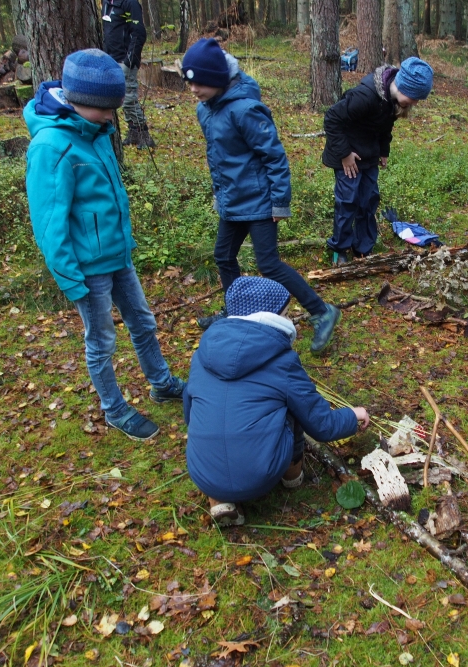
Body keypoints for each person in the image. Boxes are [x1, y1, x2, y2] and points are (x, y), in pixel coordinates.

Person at [24, 49, 185, 441]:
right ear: (83, 101)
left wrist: (125, 245)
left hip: (117, 257)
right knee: (101, 342)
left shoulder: (94, 131)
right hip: (87, 268)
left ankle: (161, 384)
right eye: (107, 109)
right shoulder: (51, 146)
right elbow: (48, 223)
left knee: (143, 322)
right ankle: (114, 409)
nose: (113, 117)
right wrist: (70, 280)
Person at [182, 38, 341, 353]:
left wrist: (280, 202)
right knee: (224, 256)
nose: (193, 90)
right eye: (189, 83)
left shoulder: (246, 110)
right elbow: (219, 158)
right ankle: (235, 313)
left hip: (259, 201)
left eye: (199, 82)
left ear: (216, 79)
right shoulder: (206, 110)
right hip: (232, 200)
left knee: (268, 263)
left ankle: (322, 311)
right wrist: (220, 194)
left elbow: (275, 157)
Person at [183, 277, 370, 526]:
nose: (291, 318)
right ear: (272, 317)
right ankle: (292, 474)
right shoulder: (282, 361)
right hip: (260, 476)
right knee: (292, 410)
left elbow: (189, 412)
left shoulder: (201, 355)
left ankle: (218, 500)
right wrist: (352, 415)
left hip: (202, 472)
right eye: (286, 312)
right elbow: (321, 424)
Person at [322, 57, 435, 266]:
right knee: (348, 201)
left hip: (369, 156)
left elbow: (384, 127)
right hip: (348, 158)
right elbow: (332, 119)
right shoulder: (364, 96)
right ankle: (340, 248)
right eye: (414, 98)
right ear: (403, 86)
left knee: (368, 201)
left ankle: (363, 248)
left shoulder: (391, 102)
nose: (415, 104)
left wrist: (383, 150)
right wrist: (344, 154)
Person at [102, 0, 154, 148]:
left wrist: (129, 60)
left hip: (125, 60)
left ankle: (144, 133)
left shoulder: (130, 3)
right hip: (111, 58)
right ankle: (133, 131)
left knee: (129, 98)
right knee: (119, 98)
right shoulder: (106, 3)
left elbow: (139, 33)